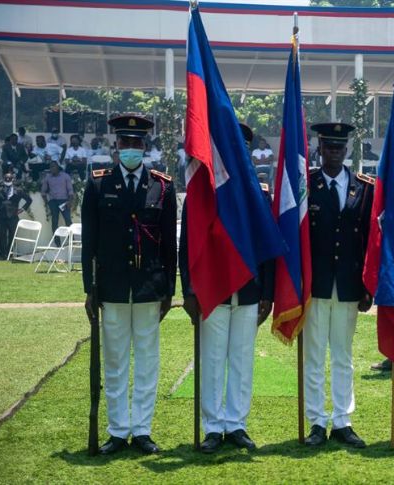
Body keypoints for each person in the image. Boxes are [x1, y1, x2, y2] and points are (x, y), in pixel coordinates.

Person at [81, 114, 177, 455]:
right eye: (126, 142)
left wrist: (169, 288)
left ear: (145, 146)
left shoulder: (162, 186)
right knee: (116, 361)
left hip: (150, 287)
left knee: (148, 360)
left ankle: (143, 430)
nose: (132, 148)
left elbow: (169, 244)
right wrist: (89, 290)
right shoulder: (97, 184)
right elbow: (89, 241)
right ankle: (118, 431)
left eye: (138, 143)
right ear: (116, 146)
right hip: (114, 287)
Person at [180, 123, 274, 454]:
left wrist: (268, 293)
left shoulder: (259, 194)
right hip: (214, 289)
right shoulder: (204, 191)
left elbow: (267, 245)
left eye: (242, 147)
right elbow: (187, 244)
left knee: (241, 360)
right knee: (213, 358)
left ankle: (236, 424)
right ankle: (212, 426)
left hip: (249, 290)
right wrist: (189, 291)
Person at [304, 122, 374, 448]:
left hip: (348, 284)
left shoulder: (363, 187)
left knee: (343, 356)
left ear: (347, 150)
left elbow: (370, 241)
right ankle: (317, 421)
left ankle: (343, 421)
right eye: (328, 147)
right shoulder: (307, 184)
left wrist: (367, 286)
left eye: (339, 147)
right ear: (320, 148)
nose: (334, 152)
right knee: (315, 355)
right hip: (316, 284)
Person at [0, 172, 32, 260]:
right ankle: (3, 255)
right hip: (1, 216)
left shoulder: (19, 190)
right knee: (2, 235)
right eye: (6, 178)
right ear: (3, 179)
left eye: (9, 178)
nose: (8, 180)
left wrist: (22, 209)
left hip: (13, 216)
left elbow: (29, 200)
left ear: (13, 180)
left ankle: (10, 254)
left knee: (12, 235)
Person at [40, 161, 74, 246]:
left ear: (58, 167)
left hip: (64, 201)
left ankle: (71, 241)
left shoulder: (65, 176)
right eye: (51, 167)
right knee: (54, 221)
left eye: (54, 167)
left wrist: (70, 201)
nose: (52, 169)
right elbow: (43, 191)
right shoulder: (48, 177)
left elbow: (70, 190)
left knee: (68, 220)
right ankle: (57, 242)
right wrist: (47, 202)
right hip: (53, 202)